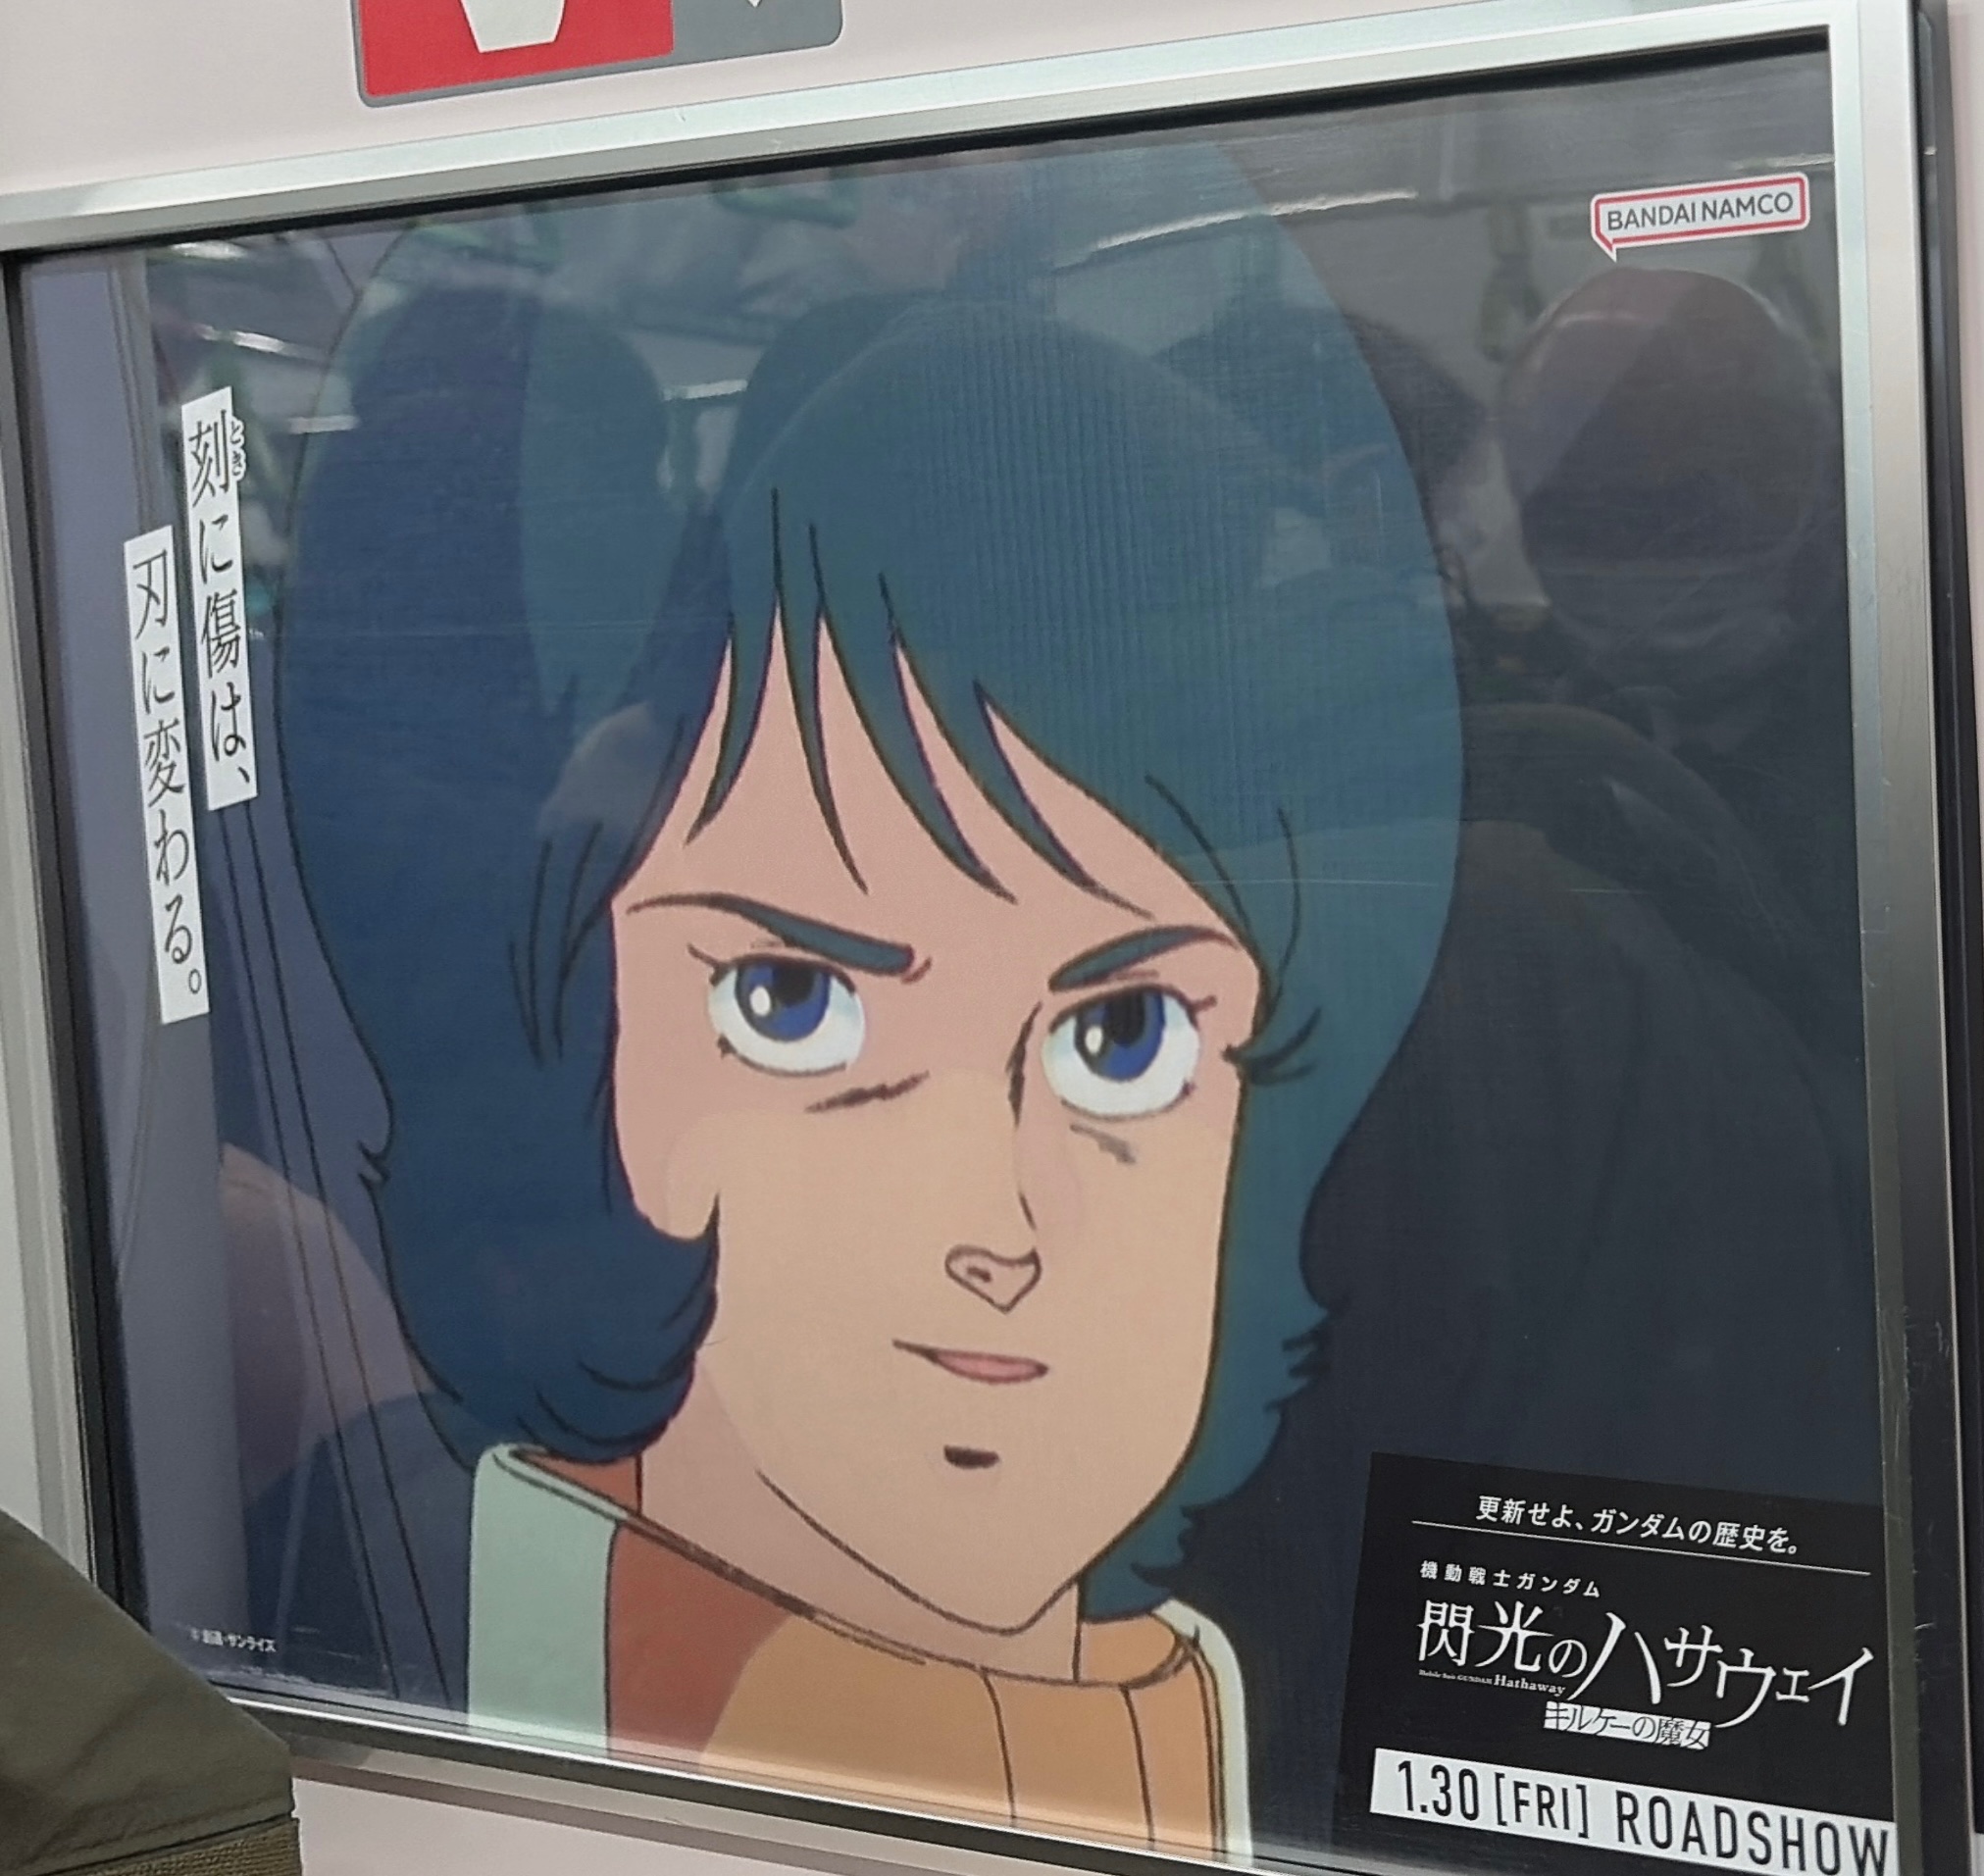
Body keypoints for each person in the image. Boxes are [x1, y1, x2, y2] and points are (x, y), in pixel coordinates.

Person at [277, 172, 1461, 1854]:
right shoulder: (381, 1657)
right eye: (795, 1003)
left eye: (1123, 1038)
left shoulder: (1212, 1721)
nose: (994, 1225)